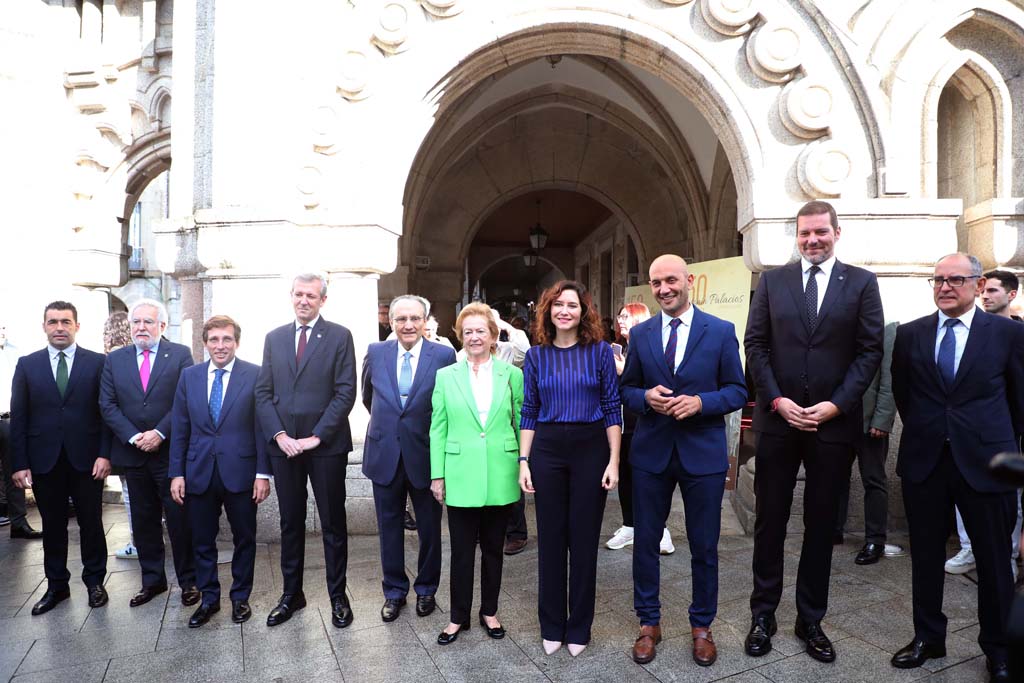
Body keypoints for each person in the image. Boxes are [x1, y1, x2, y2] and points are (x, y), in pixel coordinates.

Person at [744, 200, 883, 663]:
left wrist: (836, 404)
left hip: (833, 426)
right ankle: (763, 615)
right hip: (779, 423)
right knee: (769, 523)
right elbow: (756, 345)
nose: (812, 240)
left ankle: (810, 618)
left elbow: (869, 351)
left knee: (822, 524)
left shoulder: (861, 283)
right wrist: (779, 401)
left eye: (820, 232)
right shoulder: (772, 281)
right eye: (804, 234)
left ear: (837, 233)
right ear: (796, 236)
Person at [889, 254, 1021, 682]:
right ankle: (928, 637)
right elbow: (905, 396)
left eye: (956, 279)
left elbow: (1019, 404)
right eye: (938, 280)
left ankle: (999, 649)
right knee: (925, 557)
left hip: (987, 465)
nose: (945, 287)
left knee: (994, 562)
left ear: (979, 284)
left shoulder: (1007, 334)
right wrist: (934, 433)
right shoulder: (910, 335)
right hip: (926, 462)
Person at [620, 256, 747, 666]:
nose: (663, 289)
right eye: (656, 283)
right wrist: (645, 399)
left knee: (704, 545)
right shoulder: (640, 335)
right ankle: (648, 623)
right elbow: (627, 390)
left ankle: (701, 626)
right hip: (651, 453)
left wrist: (701, 402)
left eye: (670, 280)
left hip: (702, 453)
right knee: (645, 543)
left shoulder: (721, 331)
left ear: (689, 281)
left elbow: (737, 391)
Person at [518, 280, 621, 657]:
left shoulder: (599, 353)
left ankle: (579, 626)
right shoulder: (536, 356)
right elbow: (528, 410)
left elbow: (612, 406)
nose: (565, 310)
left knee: (583, 542)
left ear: (583, 312)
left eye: (572, 305)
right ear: (547, 310)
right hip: (546, 448)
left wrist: (614, 460)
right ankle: (551, 625)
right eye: (558, 304)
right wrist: (524, 461)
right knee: (550, 540)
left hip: (590, 447)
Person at [255, 273, 357, 628]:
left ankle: (338, 596)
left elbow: (346, 392)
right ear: (291, 296)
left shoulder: (340, 336)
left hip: (325, 446)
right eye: (298, 294)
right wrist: (279, 435)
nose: (303, 301)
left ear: (322, 300)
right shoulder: (275, 338)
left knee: (332, 521)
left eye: (311, 296)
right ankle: (291, 594)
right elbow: (263, 393)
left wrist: (317, 436)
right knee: (290, 522)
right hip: (285, 447)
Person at [429, 302, 524, 645]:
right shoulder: (445, 376)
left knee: (494, 550)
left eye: (480, 330)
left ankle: (489, 611)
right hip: (460, 473)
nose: (473, 337)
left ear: (493, 335)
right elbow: (437, 427)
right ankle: (457, 617)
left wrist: (525, 464)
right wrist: (436, 475)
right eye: (467, 331)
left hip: (501, 470)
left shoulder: (512, 375)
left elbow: (521, 421)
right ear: (460, 336)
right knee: (461, 550)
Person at [169, 315, 272, 627]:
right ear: (205, 343)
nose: (220, 346)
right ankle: (209, 599)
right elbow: (180, 427)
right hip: (199, 471)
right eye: (213, 340)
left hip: (241, 472)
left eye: (226, 339)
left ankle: (240, 598)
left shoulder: (254, 375)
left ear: (236, 342)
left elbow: (261, 427)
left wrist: (262, 473)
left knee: (245, 538)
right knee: (202, 540)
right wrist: (177, 472)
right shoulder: (190, 377)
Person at [10, 301, 111, 614]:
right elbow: (20, 417)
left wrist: (105, 455)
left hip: (87, 460)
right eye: (53, 322)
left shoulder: (97, 363)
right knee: (52, 526)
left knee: (91, 523)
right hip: (44, 460)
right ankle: (57, 587)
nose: (59, 328)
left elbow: (106, 412)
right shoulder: (28, 365)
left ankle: (95, 582)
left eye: (66, 322)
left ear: (77, 326)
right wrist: (19, 462)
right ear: (44, 327)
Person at [362, 295, 456, 623]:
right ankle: (394, 592)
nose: (408, 325)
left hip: (426, 455)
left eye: (415, 318)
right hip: (384, 452)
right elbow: (368, 397)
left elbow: (449, 405)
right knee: (389, 528)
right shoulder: (376, 352)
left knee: (430, 527)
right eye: (401, 319)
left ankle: (427, 588)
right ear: (390, 321)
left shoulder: (444, 355)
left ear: (425, 321)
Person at [100, 298, 198, 608]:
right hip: (133, 456)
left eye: (148, 322)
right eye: (136, 322)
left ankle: (189, 582)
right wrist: (133, 436)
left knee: (180, 521)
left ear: (162, 326)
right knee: (143, 522)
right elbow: (107, 404)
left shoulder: (180, 355)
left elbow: (186, 399)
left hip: (170, 455)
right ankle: (152, 581)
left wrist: (159, 432)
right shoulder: (115, 361)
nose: (141, 327)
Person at [945, 269, 1023, 578]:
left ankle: (1008, 553)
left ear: (1012, 294)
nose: (986, 295)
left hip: (1003, 435)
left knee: (1009, 497)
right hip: (964, 435)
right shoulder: (963, 330)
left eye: (993, 290)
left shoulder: (1016, 334)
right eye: (984, 290)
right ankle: (969, 548)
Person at [606, 302, 674, 556]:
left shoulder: (651, 345)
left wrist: (624, 370)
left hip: (643, 423)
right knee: (624, 476)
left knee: (648, 479)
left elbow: (658, 383)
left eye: (626, 316)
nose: (620, 319)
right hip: (621, 425)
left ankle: (662, 530)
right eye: (619, 315)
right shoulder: (619, 347)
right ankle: (630, 525)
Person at [835, 320, 903, 564]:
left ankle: (875, 539)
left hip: (869, 421)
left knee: (874, 480)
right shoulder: (838, 324)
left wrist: (883, 420)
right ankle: (834, 529)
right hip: (837, 418)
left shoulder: (886, 329)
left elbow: (890, 378)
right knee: (835, 476)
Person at [102, 311, 138, 559]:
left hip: (124, 437)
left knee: (130, 494)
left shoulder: (113, 358)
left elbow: (108, 404)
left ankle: (137, 541)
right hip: (144, 435)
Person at [1, 322, 41, 538]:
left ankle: (18, 522)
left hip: (10, 418)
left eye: (3, 327)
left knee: (14, 470)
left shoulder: (16, 353)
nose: (2, 331)